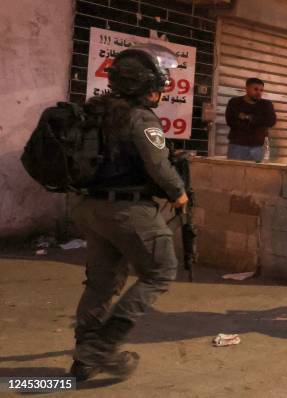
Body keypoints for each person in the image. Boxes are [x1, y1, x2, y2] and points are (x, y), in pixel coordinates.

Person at [69, 44, 188, 381]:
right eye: (160, 83)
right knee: (161, 271)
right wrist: (178, 194)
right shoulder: (140, 117)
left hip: (90, 207)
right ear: (147, 84)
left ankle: (84, 359)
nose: (163, 89)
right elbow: (158, 164)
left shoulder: (97, 111)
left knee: (101, 283)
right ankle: (101, 348)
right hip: (127, 209)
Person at [225, 78, 277, 161]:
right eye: (255, 89)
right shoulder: (235, 102)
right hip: (237, 146)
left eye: (261, 90)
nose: (259, 92)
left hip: (258, 147)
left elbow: (271, 121)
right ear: (247, 88)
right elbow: (230, 121)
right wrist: (259, 121)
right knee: (234, 172)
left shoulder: (266, 105)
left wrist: (248, 117)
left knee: (256, 173)